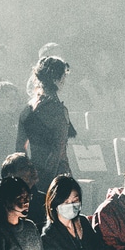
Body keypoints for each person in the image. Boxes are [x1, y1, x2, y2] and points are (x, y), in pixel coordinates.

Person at [17, 57, 75, 190]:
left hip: (29, 176)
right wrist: (46, 180)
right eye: (63, 77)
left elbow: (20, 148)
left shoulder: (27, 109)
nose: (65, 81)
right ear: (57, 80)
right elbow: (58, 150)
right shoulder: (58, 111)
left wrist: (26, 177)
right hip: (55, 177)